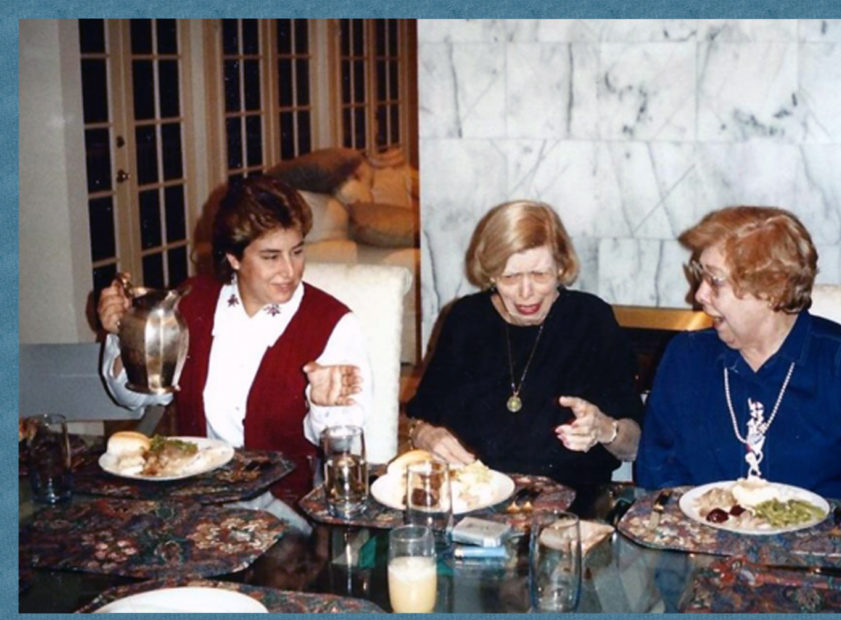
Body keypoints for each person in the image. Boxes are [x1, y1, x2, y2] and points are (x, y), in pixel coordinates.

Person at [637, 206, 841, 509]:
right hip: (707, 557)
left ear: (773, 291)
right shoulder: (686, 357)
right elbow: (657, 473)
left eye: (715, 281)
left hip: (830, 561)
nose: (699, 295)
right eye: (701, 276)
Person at [98, 175, 372, 523]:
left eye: (298, 251)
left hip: (286, 513)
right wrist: (121, 333)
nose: (290, 270)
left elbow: (345, 445)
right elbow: (136, 398)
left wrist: (321, 405)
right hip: (193, 498)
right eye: (271, 256)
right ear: (234, 258)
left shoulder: (333, 324)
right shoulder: (192, 303)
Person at [404, 200, 643, 492]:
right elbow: (419, 418)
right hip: (475, 499)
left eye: (540, 275)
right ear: (491, 274)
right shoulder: (465, 320)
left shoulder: (591, 320)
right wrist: (425, 434)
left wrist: (605, 429)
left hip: (570, 511)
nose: (526, 293)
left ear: (561, 267)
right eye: (510, 277)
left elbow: (636, 445)